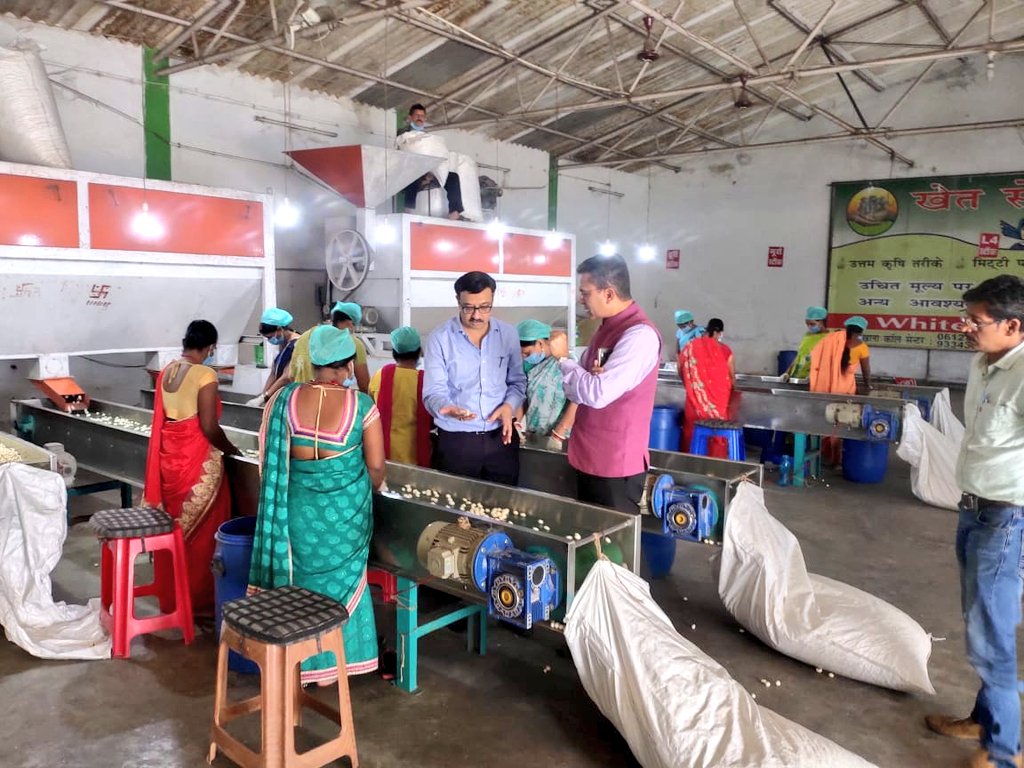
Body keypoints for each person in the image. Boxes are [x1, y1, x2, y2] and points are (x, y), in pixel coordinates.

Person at [248, 325, 386, 685]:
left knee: (301, 589)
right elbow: (375, 468)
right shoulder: (362, 406)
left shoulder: (284, 401)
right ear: (349, 365)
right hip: (345, 523)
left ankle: (300, 664)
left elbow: (269, 460)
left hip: (296, 518)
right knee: (341, 589)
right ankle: (332, 665)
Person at [925, 275, 1024, 768]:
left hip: (1008, 518)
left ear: (1013, 325)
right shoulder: (984, 363)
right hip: (976, 510)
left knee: (993, 634)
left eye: (977, 321)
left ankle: (1006, 753)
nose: (967, 328)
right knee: (981, 623)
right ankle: (984, 719)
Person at [144, 320, 239, 617]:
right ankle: (199, 601)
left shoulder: (168, 370)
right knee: (205, 531)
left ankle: (174, 596)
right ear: (210, 347)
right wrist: (230, 449)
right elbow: (209, 427)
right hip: (196, 462)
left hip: (171, 458)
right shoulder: (205, 374)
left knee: (176, 528)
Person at [560, 254, 661, 513]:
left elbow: (596, 393)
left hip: (616, 464)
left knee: (613, 547)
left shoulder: (639, 336)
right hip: (590, 455)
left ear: (608, 294)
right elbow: (580, 381)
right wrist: (585, 378)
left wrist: (562, 360)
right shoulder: (605, 328)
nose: (582, 300)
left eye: (585, 293)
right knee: (590, 541)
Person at [422, 271, 526, 484]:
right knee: (457, 508)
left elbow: (517, 382)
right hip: (458, 441)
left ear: (493, 301)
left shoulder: (508, 334)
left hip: (501, 438)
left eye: (484, 307)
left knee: (502, 506)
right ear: (457, 302)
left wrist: (509, 407)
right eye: (468, 307)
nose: (476, 315)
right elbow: (433, 392)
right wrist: (446, 408)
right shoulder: (439, 338)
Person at [368, 326, 431, 467]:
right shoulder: (425, 381)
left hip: (384, 454)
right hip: (415, 455)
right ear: (419, 352)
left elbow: (371, 408)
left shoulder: (380, 375)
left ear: (394, 352)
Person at [515, 319, 577, 452]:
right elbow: (524, 396)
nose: (524, 357)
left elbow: (578, 401)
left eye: (527, 353)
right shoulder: (528, 367)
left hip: (563, 437)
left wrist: (559, 434)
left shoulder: (567, 362)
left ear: (540, 342)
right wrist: (517, 422)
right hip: (535, 432)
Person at [397, 103, 464, 221]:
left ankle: (455, 211)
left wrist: (432, 170)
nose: (419, 118)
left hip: (432, 171)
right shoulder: (405, 135)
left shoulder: (426, 138)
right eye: (417, 115)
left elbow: (433, 153)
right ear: (410, 118)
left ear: (425, 118)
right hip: (414, 172)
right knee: (412, 176)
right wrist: (423, 171)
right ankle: (409, 209)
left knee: (453, 177)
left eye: (422, 116)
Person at [678, 317, 735, 455]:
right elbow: (732, 376)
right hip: (719, 401)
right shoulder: (725, 350)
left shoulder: (690, 346)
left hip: (694, 399)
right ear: (720, 333)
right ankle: (716, 460)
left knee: (693, 427)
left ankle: (691, 460)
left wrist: (691, 384)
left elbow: (680, 367)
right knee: (717, 430)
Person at [290, 301, 371, 393]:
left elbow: (292, 375)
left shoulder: (304, 337)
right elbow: (364, 385)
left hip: (301, 399)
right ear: (350, 323)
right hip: (336, 400)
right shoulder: (353, 343)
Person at [246, 307, 300, 407]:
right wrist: (263, 395)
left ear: (279, 329)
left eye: (270, 337)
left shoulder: (298, 344)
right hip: (281, 395)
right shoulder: (283, 343)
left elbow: (287, 377)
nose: (270, 340)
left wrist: (265, 397)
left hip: (293, 397)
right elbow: (273, 373)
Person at [809, 315, 871, 395]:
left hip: (824, 385)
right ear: (862, 331)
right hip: (846, 389)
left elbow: (816, 354)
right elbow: (866, 370)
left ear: (847, 327)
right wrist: (867, 384)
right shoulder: (862, 347)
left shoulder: (831, 338)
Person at [783, 306, 830, 381]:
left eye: (812, 324)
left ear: (821, 322)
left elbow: (827, 361)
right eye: (807, 324)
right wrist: (787, 372)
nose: (809, 326)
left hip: (814, 378)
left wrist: (816, 376)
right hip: (798, 375)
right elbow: (799, 356)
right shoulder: (807, 336)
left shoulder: (829, 338)